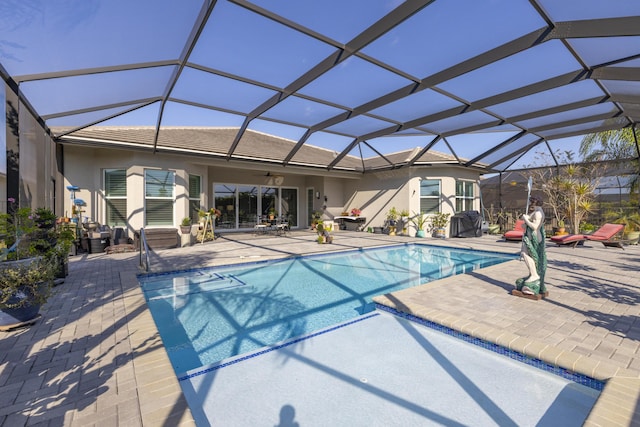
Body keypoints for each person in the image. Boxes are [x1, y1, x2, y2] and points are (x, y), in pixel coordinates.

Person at [516, 196, 547, 295]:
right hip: (529, 236)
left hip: (534, 237)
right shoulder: (536, 211)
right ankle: (532, 274)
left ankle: (534, 275)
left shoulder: (538, 213)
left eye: (531, 202)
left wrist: (526, 219)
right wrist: (525, 219)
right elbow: (529, 220)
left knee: (526, 254)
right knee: (526, 254)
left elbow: (535, 226)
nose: (530, 204)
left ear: (535, 203)